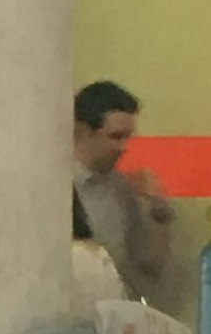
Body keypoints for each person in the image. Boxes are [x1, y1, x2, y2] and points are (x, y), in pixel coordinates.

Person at [70, 81, 175, 308]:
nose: (124, 147)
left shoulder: (121, 187)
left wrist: (159, 213)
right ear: (84, 132)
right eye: (116, 136)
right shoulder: (54, 186)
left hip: (113, 312)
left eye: (128, 136)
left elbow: (150, 265)